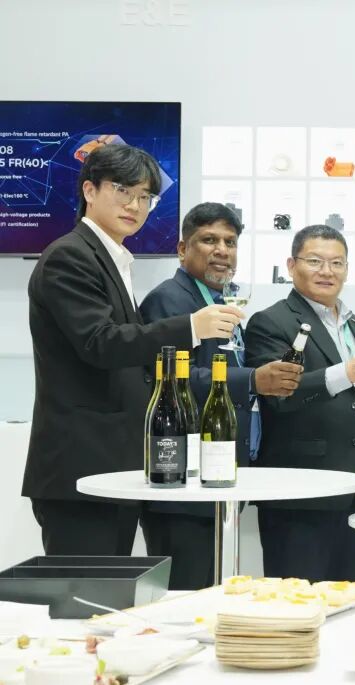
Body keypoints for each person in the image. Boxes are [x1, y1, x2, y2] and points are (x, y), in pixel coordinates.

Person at [24, 144, 242, 555]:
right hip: (82, 467)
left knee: (111, 591)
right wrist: (190, 327)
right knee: (86, 590)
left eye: (145, 196)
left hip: (113, 463)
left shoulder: (112, 258)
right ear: (90, 190)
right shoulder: (70, 255)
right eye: (123, 190)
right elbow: (100, 343)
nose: (135, 205)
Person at [138, 203, 303, 589]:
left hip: (217, 474)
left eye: (230, 242)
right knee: (185, 597)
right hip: (183, 482)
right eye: (209, 240)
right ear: (182, 249)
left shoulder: (219, 302)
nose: (222, 250)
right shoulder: (169, 300)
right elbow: (170, 380)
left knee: (215, 595)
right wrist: (253, 380)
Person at [245, 224, 355, 582]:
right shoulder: (270, 322)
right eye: (315, 261)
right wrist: (345, 372)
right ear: (292, 266)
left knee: (349, 594)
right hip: (301, 493)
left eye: (337, 263)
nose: (327, 271)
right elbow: (279, 395)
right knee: (296, 597)